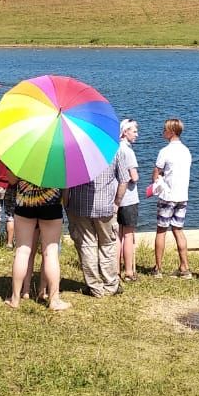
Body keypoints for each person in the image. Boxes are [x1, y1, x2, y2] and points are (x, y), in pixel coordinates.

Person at [5, 179, 70, 311]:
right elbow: (65, 185)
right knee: (51, 253)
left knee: (22, 251)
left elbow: (11, 178)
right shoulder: (59, 158)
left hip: (25, 204)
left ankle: (15, 298)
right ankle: (54, 300)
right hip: (51, 205)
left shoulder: (21, 157)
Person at [67, 162, 120, 297]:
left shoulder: (73, 151)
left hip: (79, 205)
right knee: (107, 245)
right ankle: (110, 285)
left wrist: (66, 203)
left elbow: (66, 181)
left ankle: (95, 287)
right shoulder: (114, 150)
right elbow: (124, 180)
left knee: (87, 246)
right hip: (105, 206)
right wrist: (116, 203)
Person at [151, 117, 193, 279]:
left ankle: (158, 268)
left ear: (171, 132)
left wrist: (156, 180)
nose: (163, 131)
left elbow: (156, 173)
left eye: (165, 129)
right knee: (178, 230)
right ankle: (184, 267)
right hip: (182, 195)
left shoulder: (165, 151)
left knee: (161, 230)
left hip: (168, 195)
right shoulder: (186, 151)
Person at [113, 119, 140, 282]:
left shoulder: (115, 148)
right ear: (125, 132)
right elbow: (133, 176)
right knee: (128, 235)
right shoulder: (128, 151)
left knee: (117, 235)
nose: (136, 134)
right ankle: (129, 271)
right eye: (134, 131)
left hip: (116, 197)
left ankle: (116, 270)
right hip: (129, 198)